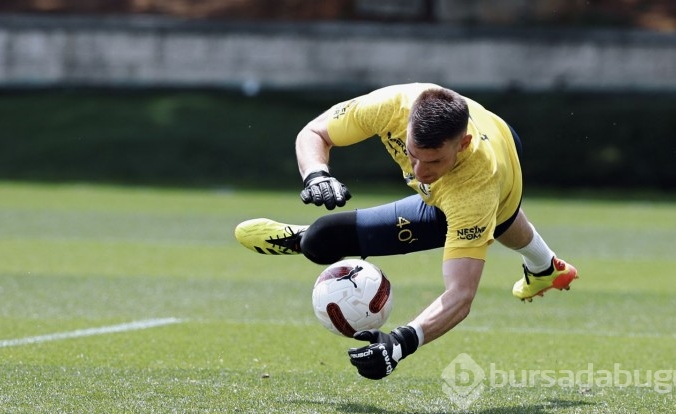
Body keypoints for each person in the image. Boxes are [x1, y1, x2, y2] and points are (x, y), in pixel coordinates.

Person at [234, 83, 578, 380]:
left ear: (462, 144)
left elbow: (460, 295)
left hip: (496, 168)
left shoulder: (475, 188)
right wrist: (316, 174)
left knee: (498, 216)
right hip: (493, 133)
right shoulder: (390, 106)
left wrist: (401, 342)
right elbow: (314, 132)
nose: (419, 171)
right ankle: (545, 268)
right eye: (412, 155)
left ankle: (544, 267)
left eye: (433, 162)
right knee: (322, 239)